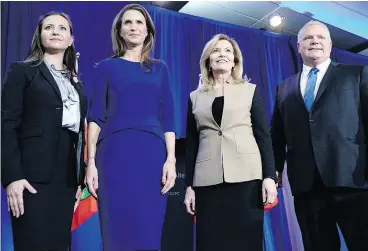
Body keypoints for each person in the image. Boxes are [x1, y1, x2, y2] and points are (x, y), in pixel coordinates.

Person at [85, 4, 176, 251]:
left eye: (139, 22)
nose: (133, 27)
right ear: (119, 31)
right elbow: (96, 117)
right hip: (112, 156)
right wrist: (91, 162)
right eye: (128, 23)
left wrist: (171, 160)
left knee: (148, 233)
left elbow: (168, 118)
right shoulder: (106, 67)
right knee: (115, 234)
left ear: (148, 31)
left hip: (151, 156)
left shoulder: (160, 69)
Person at [270, 20, 368, 251]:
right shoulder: (283, 88)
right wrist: (271, 172)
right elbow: (277, 136)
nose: (315, 41)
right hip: (306, 187)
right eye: (308, 38)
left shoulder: (356, 75)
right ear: (299, 46)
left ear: (330, 45)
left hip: (352, 181)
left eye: (321, 37)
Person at [1, 11, 87, 251]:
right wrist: (12, 177)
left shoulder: (76, 83)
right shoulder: (21, 71)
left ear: (71, 39)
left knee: (59, 244)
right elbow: (7, 126)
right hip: (31, 176)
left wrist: (79, 178)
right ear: (39, 36)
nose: (56, 31)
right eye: (49, 27)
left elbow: (79, 134)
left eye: (62, 28)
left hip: (67, 179)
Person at [184, 33, 277, 251]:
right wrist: (189, 186)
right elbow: (192, 143)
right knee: (211, 242)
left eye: (228, 51)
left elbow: (264, 136)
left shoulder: (250, 91)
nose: (222, 54)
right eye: (216, 50)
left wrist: (269, 177)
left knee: (245, 242)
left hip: (246, 178)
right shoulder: (194, 97)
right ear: (208, 58)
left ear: (235, 59)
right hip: (207, 181)